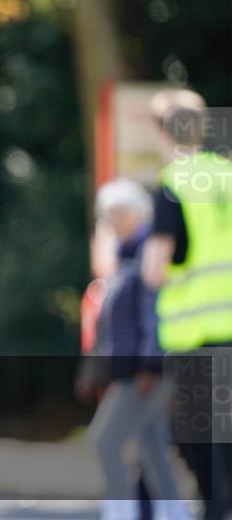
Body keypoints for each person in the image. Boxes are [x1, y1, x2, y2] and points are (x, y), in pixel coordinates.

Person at [141, 88, 232, 520]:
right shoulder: (227, 174)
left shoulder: (174, 183)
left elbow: (156, 268)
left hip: (196, 335)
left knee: (203, 443)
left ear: (163, 131)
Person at [87, 178, 193, 520]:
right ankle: (175, 513)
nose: (112, 221)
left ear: (138, 212)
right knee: (152, 450)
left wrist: (149, 365)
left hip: (145, 371)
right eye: (107, 215)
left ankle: (120, 512)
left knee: (104, 441)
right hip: (136, 369)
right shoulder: (123, 256)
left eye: (119, 213)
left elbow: (153, 313)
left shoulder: (147, 251)